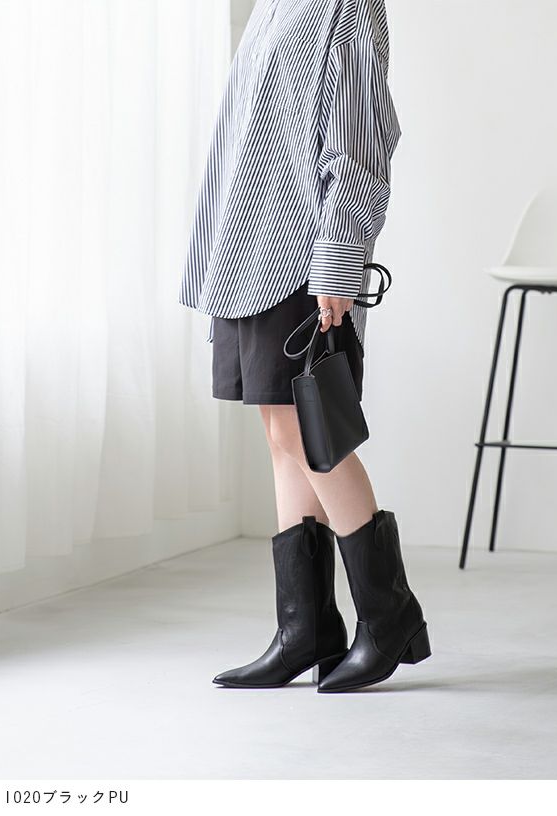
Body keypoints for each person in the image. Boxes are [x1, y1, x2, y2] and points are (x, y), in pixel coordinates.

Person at [179, 0, 430, 692]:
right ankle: (305, 629)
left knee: (313, 434)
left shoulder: (347, 7)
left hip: (299, 255)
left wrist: (339, 258)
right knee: (281, 436)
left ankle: (390, 616)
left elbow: (361, 142)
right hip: (245, 250)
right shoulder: (273, 6)